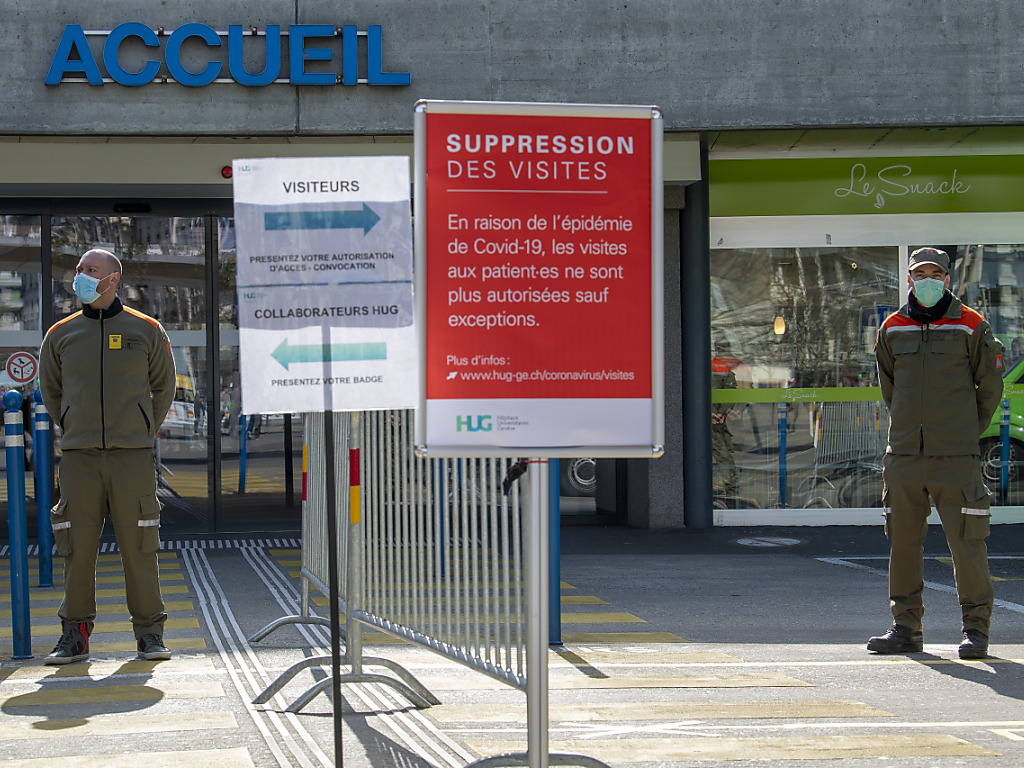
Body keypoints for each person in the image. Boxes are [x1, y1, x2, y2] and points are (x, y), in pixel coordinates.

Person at [39, 248, 176, 664]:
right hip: (79, 458)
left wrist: (139, 429)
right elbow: (51, 391)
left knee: (139, 545)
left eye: (90, 270)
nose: (80, 275)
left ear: (113, 279)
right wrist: (72, 423)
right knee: (76, 547)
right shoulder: (60, 334)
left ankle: (150, 633)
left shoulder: (146, 330)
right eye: (79, 269)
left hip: (131, 458)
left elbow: (163, 387)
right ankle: (74, 636)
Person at [868, 247, 1004, 660]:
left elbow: (990, 388)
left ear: (948, 279)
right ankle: (906, 627)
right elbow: (889, 386)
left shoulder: (971, 325)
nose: (927, 279)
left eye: (935, 273)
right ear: (909, 279)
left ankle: (975, 631)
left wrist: (963, 433)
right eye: (919, 272)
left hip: (956, 457)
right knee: (904, 544)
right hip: (905, 456)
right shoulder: (892, 327)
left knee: (967, 544)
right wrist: (910, 431)